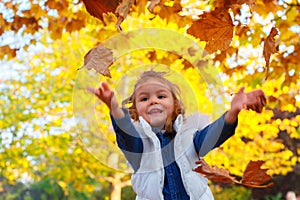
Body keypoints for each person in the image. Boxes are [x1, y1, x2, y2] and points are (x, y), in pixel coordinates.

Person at [87, 70, 266, 200]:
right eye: (144, 99)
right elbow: (126, 137)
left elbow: (214, 134)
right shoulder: (139, 147)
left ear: (175, 105)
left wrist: (232, 112)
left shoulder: (190, 137)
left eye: (161, 96)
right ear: (135, 110)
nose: (153, 100)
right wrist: (116, 110)